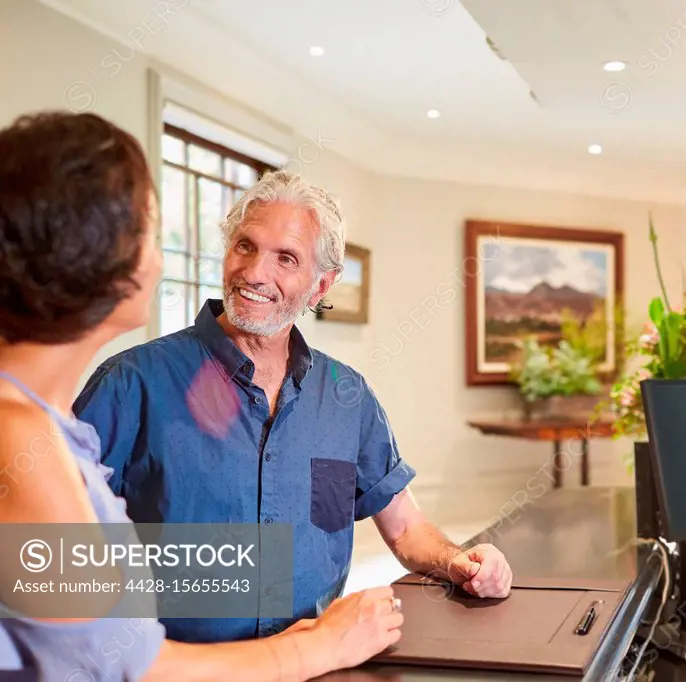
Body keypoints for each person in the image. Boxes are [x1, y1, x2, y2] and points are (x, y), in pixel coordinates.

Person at [0, 111, 403, 680]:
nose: (160, 253)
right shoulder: (22, 438)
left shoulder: (37, 427)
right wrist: (321, 645)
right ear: (89, 259)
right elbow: (126, 666)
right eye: (146, 228)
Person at [71, 165, 512, 644]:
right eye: (246, 246)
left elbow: (405, 529)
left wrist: (459, 561)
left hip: (318, 662)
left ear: (321, 286)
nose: (254, 273)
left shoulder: (347, 398)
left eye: (285, 258)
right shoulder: (131, 382)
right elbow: (50, 553)